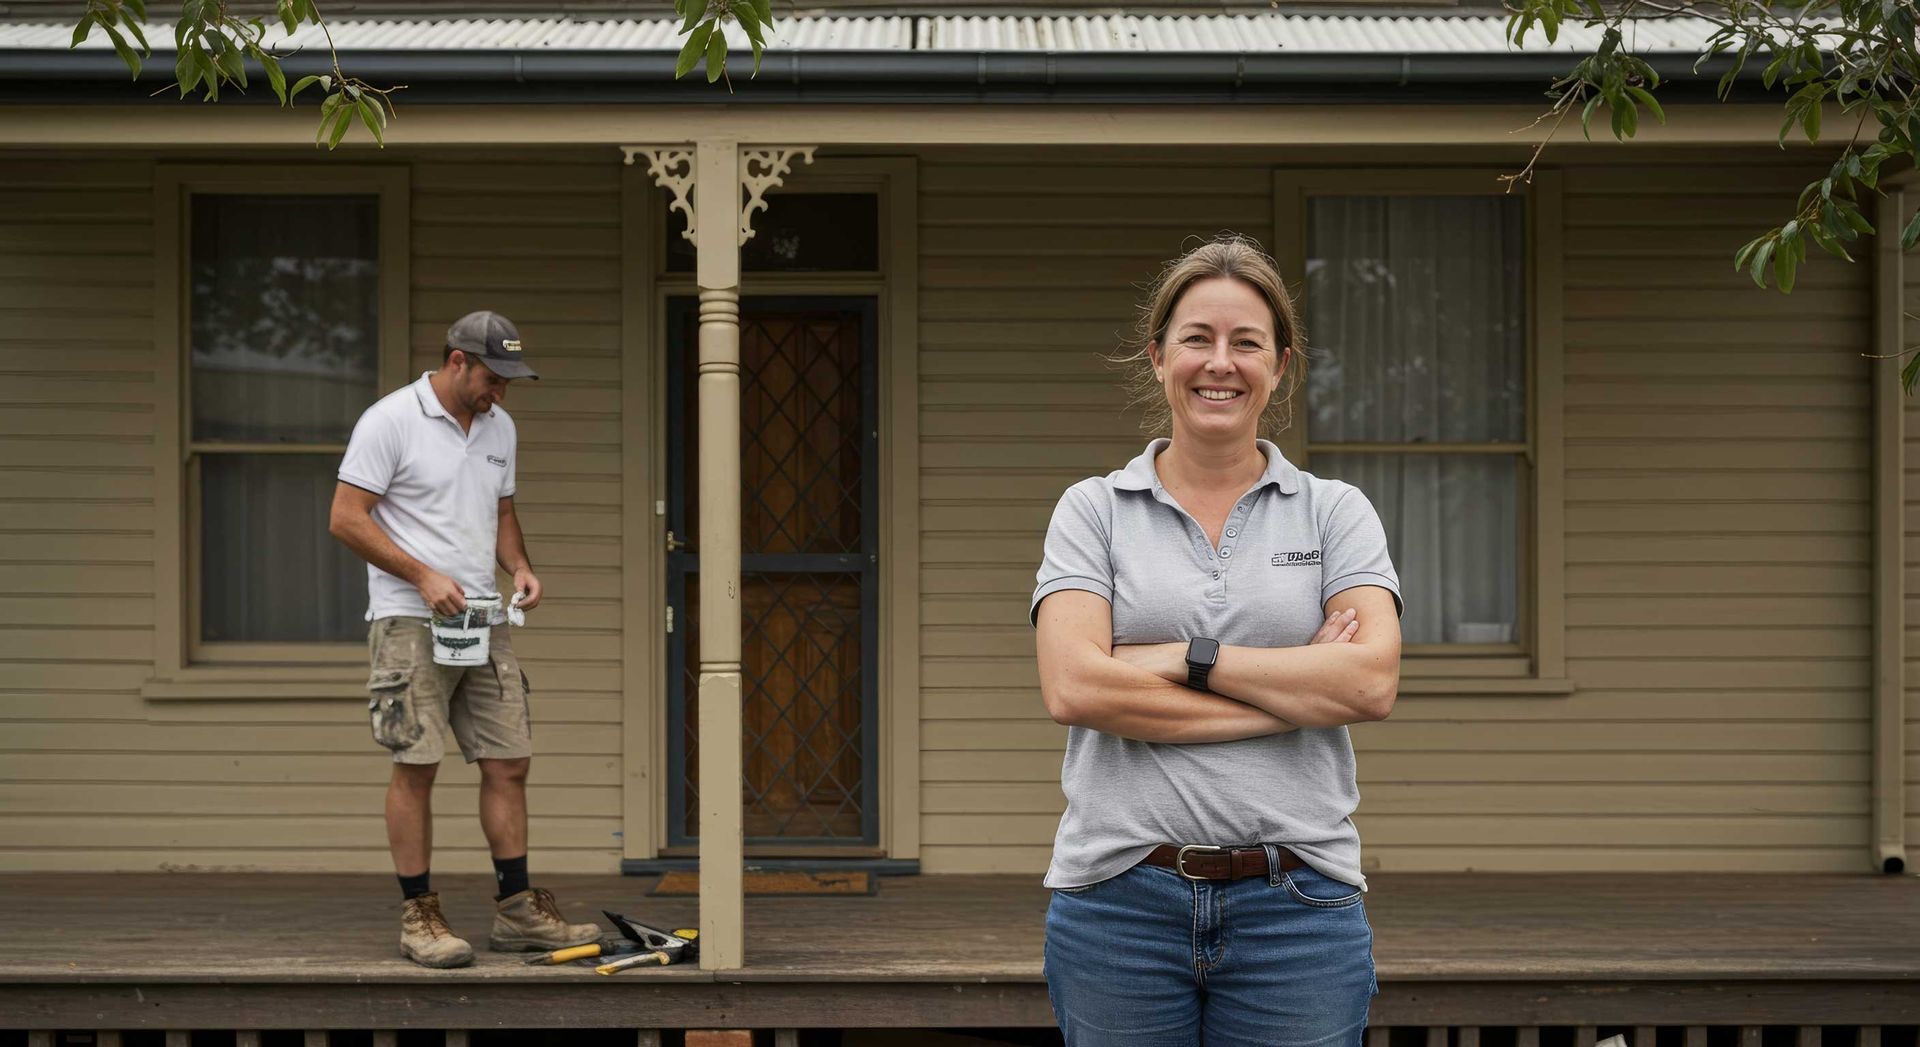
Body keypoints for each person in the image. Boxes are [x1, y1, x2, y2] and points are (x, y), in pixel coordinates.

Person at [1031, 236, 1404, 1045]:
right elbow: (1074, 687)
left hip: (1298, 905)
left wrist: (1184, 657)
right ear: (1158, 353)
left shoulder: (1335, 513)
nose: (1220, 363)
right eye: (1197, 337)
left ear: (1281, 364)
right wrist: (1293, 693)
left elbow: (1370, 683)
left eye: (1247, 342)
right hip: (1118, 902)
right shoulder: (1092, 510)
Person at [329, 309, 598, 969]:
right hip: (409, 617)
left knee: (509, 760)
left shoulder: (500, 426)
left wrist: (520, 567)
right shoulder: (391, 420)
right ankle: (419, 916)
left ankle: (517, 911)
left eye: (508, 381)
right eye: (492, 377)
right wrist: (422, 575)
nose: (500, 392)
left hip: (481, 618)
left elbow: (501, 511)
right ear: (456, 361)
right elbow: (346, 518)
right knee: (417, 764)